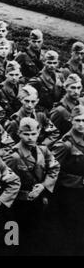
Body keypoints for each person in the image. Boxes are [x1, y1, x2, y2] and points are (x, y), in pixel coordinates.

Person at [3, 117, 59, 255]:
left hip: (38, 200)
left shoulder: (43, 150)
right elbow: (4, 181)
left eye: (33, 134)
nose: (30, 137)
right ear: (19, 133)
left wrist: (44, 185)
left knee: (35, 234)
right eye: (26, 134)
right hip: (18, 203)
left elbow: (55, 167)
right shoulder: (13, 155)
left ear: (39, 132)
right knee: (14, 237)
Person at [52, 105, 84, 255]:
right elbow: (54, 170)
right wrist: (79, 180)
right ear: (71, 120)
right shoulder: (65, 144)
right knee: (72, 227)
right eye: (78, 120)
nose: (81, 124)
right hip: (70, 192)